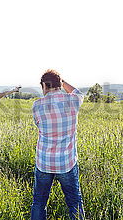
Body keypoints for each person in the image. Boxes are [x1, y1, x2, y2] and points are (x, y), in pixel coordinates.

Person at [31, 70, 85, 220]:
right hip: (66, 162)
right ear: (59, 84)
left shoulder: (37, 105)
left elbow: (39, 125)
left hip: (44, 162)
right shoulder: (72, 101)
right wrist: (63, 82)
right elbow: (78, 93)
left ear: (44, 85)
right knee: (74, 203)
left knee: (39, 202)